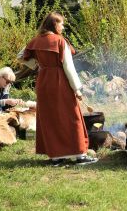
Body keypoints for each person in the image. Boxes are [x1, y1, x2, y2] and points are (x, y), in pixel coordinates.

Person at [23, 12, 96, 166]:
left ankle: (56, 157)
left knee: (50, 118)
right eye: (61, 24)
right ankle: (79, 155)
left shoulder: (35, 40)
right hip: (60, 82)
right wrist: (77, 89)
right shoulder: (60, 41)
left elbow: (21, 56)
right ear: (54, 24)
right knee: (71, 117)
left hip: (43, 82)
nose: (62, 27)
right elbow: (68, 67)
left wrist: (39, 66)